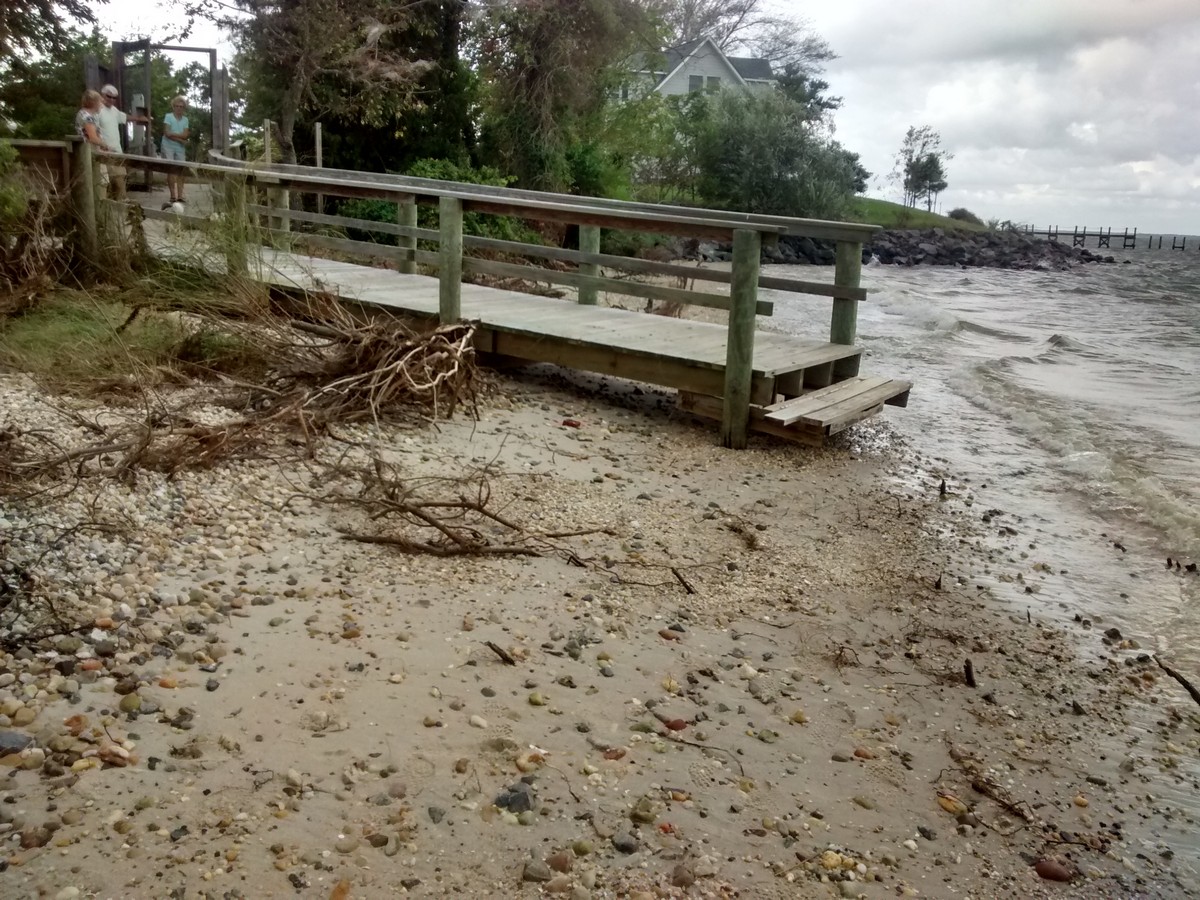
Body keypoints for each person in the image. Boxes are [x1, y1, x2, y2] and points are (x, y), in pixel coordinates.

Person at [97, 84, 149, 201]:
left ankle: (121, 205)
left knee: (120, 179)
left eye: (114, 98)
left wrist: (139, 118)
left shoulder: (114, 110)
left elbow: (124, 117)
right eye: (109, 96)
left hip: (117, 151)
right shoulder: (97, 110)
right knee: (104, 183)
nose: (111, 100)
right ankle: (106, 207)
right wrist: (100, 145)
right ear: (102, 95)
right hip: (103, 152)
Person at [160, 96, 190, 208]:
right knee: (171, 170)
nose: (179, 108)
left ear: (184, 108)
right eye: (177, 106)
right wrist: (181, 139)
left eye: (181, 106)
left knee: (181, 170)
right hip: (168, 146)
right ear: (173, 107)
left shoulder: (185, 120)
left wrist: (174, 134)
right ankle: (173, 196)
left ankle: (180, 196)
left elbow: (185, 135)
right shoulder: (168, 116)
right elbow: (166, 133)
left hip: (180, 148)